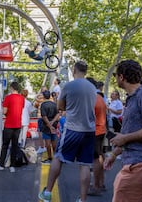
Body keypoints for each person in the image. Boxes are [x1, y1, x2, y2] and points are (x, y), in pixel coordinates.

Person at [104, 59, 142, 201]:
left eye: (116, 76)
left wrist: (124, 138)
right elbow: (132, 134)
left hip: (139, 165)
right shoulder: (134, 98)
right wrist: (114, 154)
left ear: (121, 77)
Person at [39, 61, 97, 202]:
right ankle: (82, 200)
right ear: (86, 71)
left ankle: (47, 192)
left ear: (74, 70)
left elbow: (60, 107)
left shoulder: (69, 86)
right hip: (89, 129)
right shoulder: (92, 87)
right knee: (85, 164)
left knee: (58, 158)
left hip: (72, 128)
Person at [0, 82, 25, 173]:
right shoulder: (22, 98)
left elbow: (5, 111)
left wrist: (3, 110)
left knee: (5, 145)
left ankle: (1, 164)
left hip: (9, 125)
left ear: (11, 88)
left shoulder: (8, 98)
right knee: (14, 146)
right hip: (18, 125)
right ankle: (12, 165)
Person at [86, 77, 107, 196]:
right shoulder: (99, 97)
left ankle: (95, 186)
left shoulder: (92, 99)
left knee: (96, 158)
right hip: (101, 129)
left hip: (95, 131)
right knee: (100, 156)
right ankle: (100, 183)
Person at [40, 90, 59, 164]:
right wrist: (53, 122)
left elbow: (44, 116)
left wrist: (49, 124)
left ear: (44, 96)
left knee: (47, 142)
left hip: (46, 125)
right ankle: (55, 156)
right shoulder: (54, 104)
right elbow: (57, 114)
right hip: (54, 124)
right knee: (54, 141)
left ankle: (50, 157)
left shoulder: (43, 105)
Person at [34, 86, 49, 154]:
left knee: (40, 132)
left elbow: (35, 105)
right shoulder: (50, 97)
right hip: (49, 117)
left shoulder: (39, 97)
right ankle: (47, 145)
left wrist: (36, 98)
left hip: (40, 116)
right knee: (47, 132)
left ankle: (42, 147)